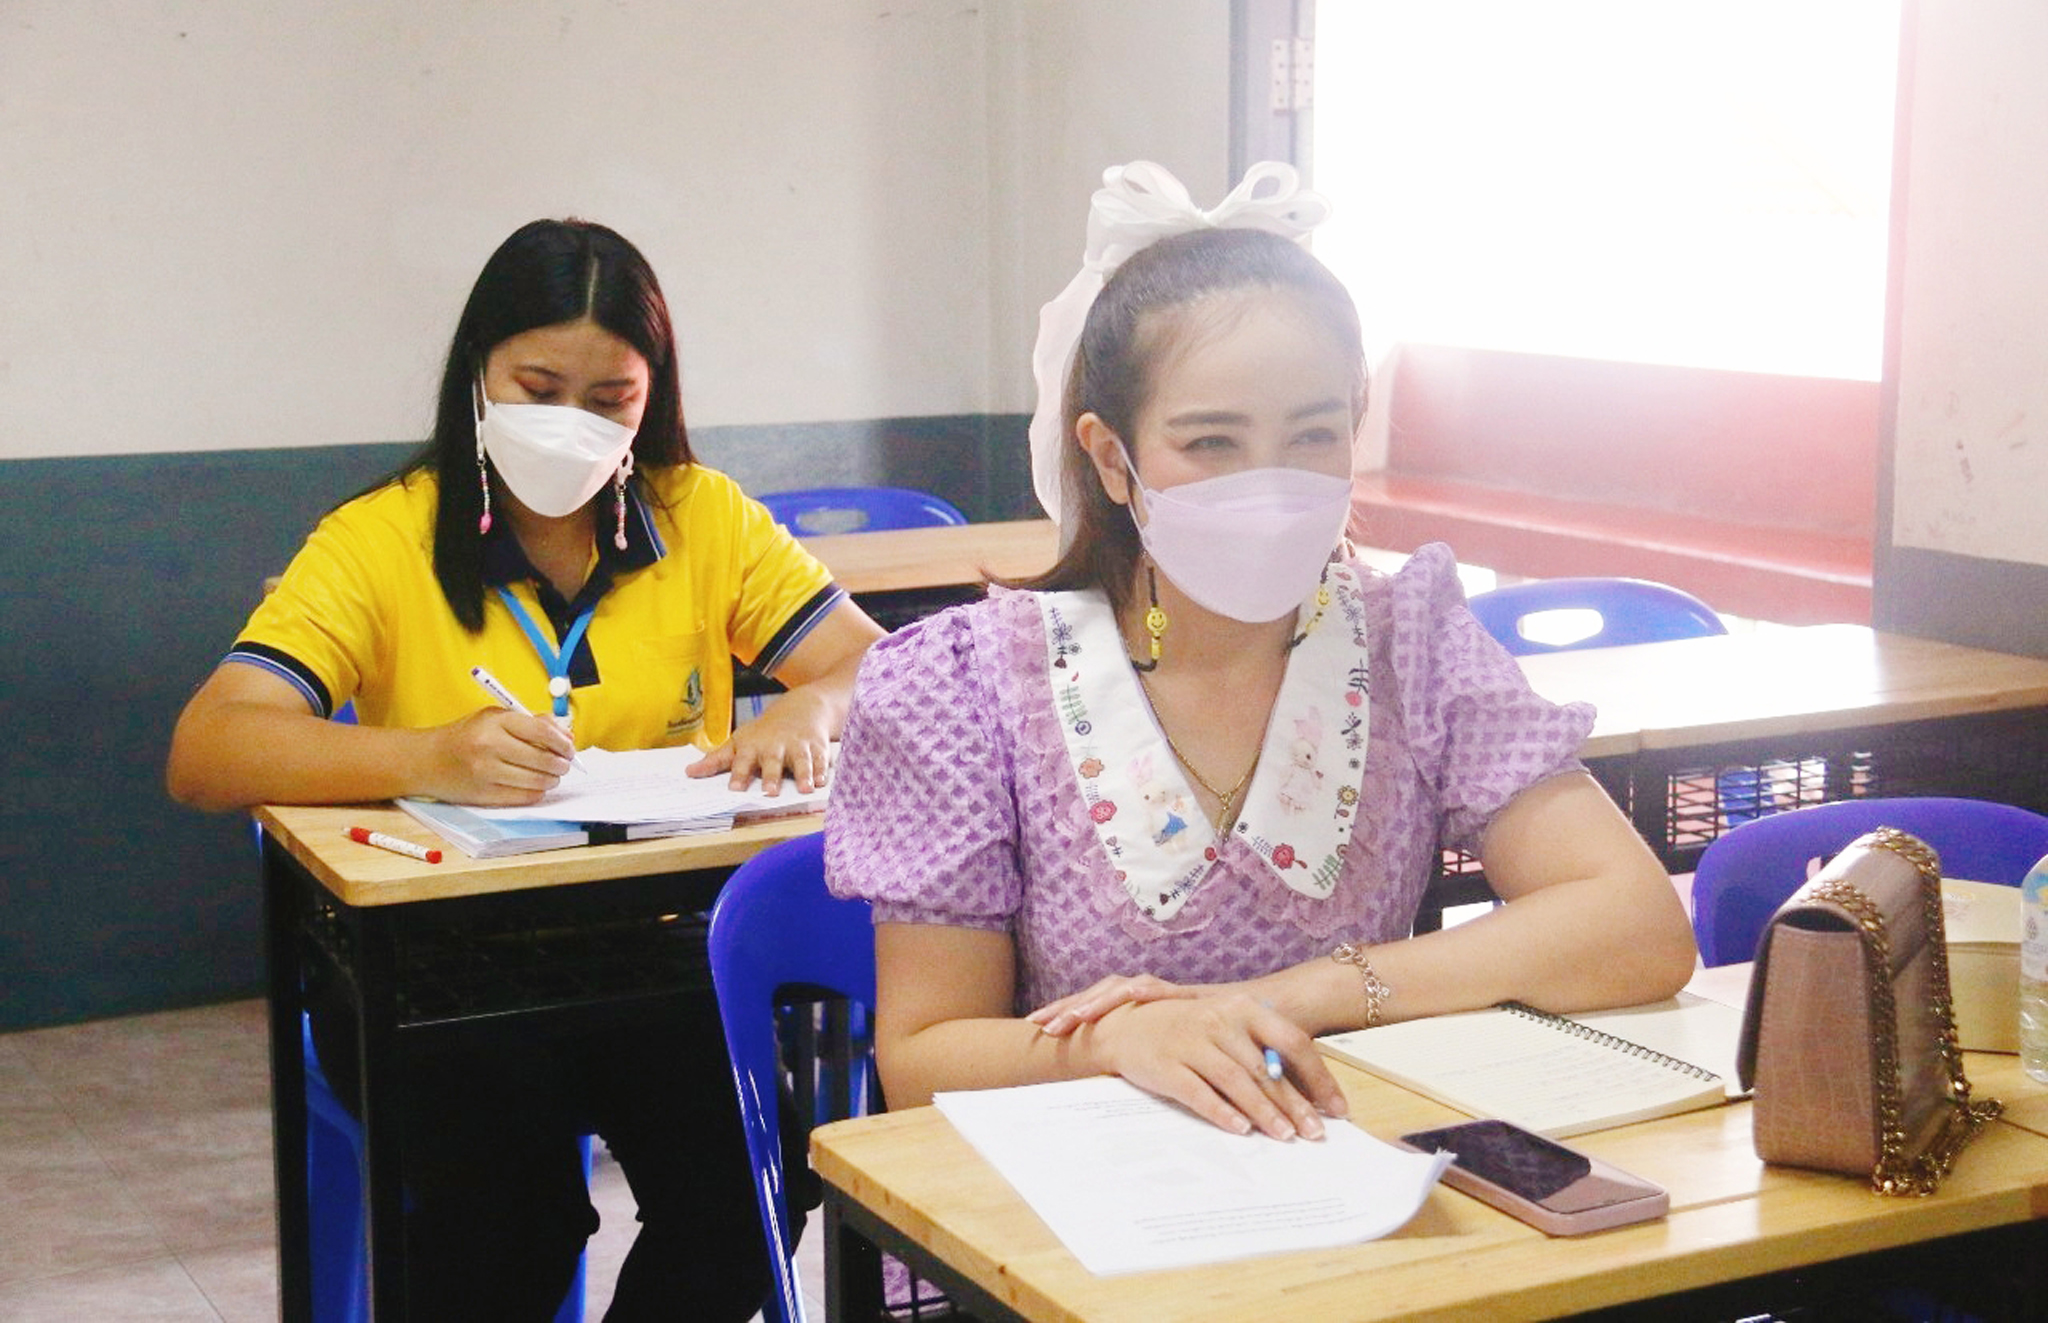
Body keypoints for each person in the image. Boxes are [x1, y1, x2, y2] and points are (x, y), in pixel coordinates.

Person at [823, 163, 1697, 1145]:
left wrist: (1300, 995)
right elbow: (922, 1058)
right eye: (1209, 443)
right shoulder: (964, 687)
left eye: (1312, 434)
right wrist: (1121, 1042)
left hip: (1337, 1156)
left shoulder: (1410, 641)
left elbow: (1634, 926)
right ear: (1112, 459)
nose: (1269, 483)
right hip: (1070, 1194)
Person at [168, 218, 884, 1320]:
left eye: (611, 401)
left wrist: (807, 705)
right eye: (537, 387)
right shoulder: (380, 539)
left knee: (753, 1199)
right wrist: (425, 756)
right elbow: (209, 747)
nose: (571, 425)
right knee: (503, 1232)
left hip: (654, 949)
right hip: (440, 966)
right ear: (478, 377)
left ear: (654, 396)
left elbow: (876, 669)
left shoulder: (700, 518)